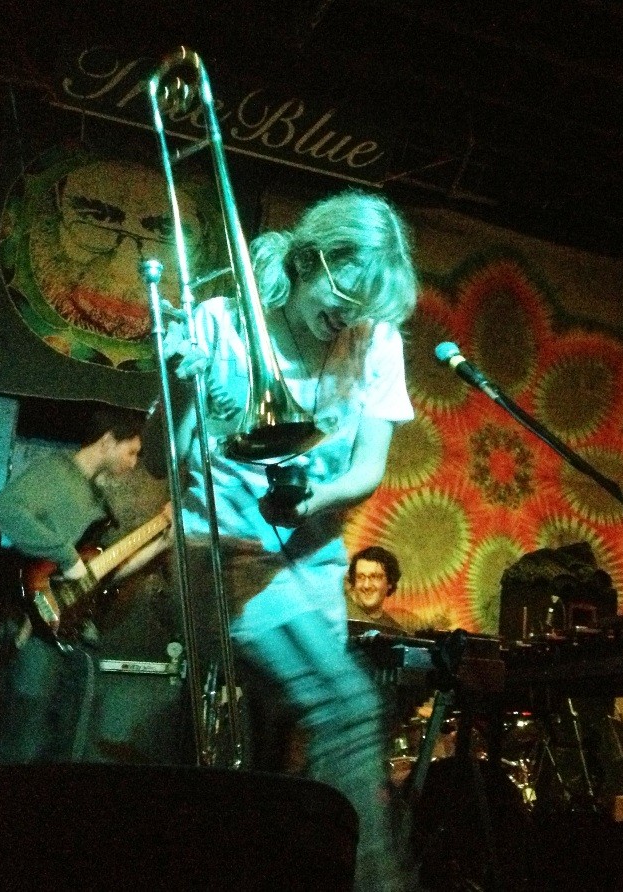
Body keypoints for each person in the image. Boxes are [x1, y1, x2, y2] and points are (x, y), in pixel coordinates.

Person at [161, 189, 417, 892]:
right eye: (343, 295)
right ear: (309, 259)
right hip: (225, 554)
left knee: (282, 756)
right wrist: (183, 390)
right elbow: (169, 458)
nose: (350, 318)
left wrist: (312, 500)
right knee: (348, 709)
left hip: (313, 558)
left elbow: (367, 468)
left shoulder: (376, 340)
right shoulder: (223, 321)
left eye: (365, 306)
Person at [0, 406, 169, 764]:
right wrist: (66, 558)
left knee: (65, 748)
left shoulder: (97, 503)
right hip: (36, 627)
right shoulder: (55, 471)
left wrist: (162, 541)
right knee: (21, 746)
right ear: (107, 441)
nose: (134, 462)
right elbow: (3, 510)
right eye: (131, 451)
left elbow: (97, 574)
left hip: (74, 633)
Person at [345, 545, 407, 635]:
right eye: (360, 577)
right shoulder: (336, 615)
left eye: (374, 577)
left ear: (390, 582)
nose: (366, 585)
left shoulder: (395, 632)